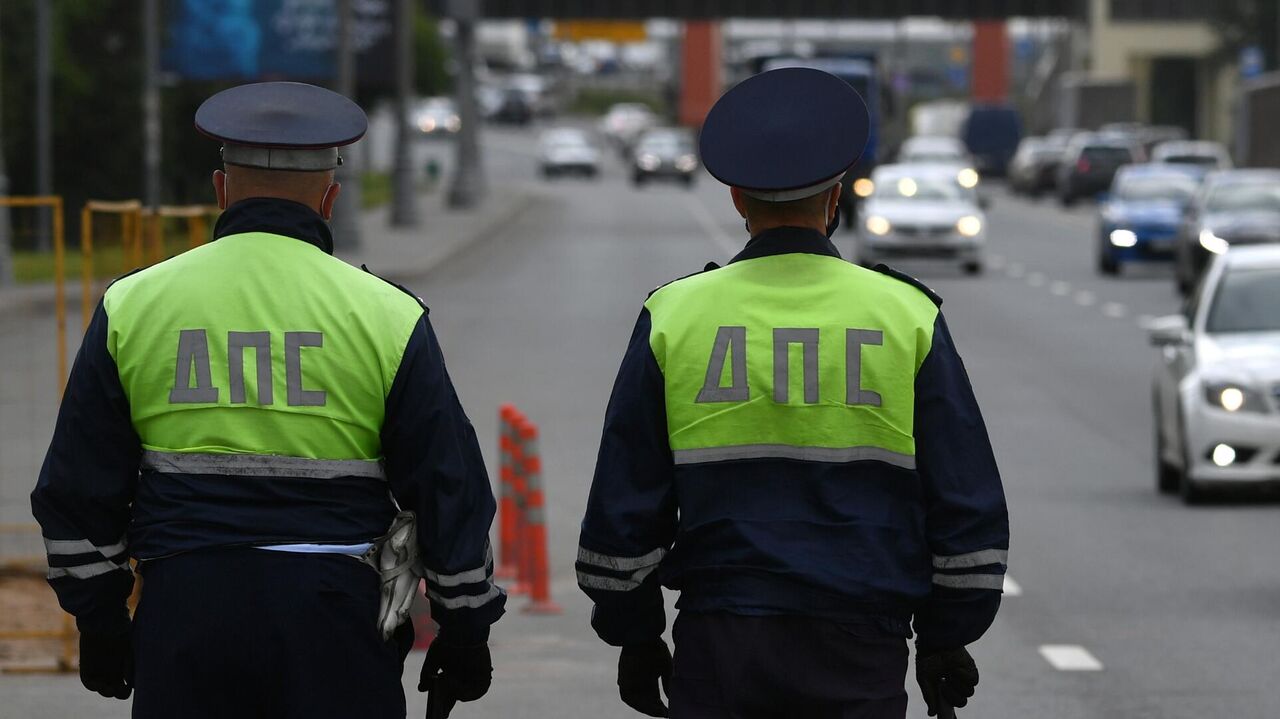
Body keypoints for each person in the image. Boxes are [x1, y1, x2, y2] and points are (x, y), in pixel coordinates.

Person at [31, 82, 504, 718]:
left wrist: (100, 619)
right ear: (329, 199)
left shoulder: (134, 305)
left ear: (221, 190)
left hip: (186, 615)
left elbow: (78, 486)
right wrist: (465, 625)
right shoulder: (387, 315)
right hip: (334, 620)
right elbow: (447, 487)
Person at [577, 67, 1009, 719]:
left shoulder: (675, 316)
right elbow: (965, 505)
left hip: (721, 646)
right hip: (861, 646)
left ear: (737, 200)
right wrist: (946, 636)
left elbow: (622, 511)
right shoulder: (905, 315)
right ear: (837, 196)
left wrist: (636, 634)